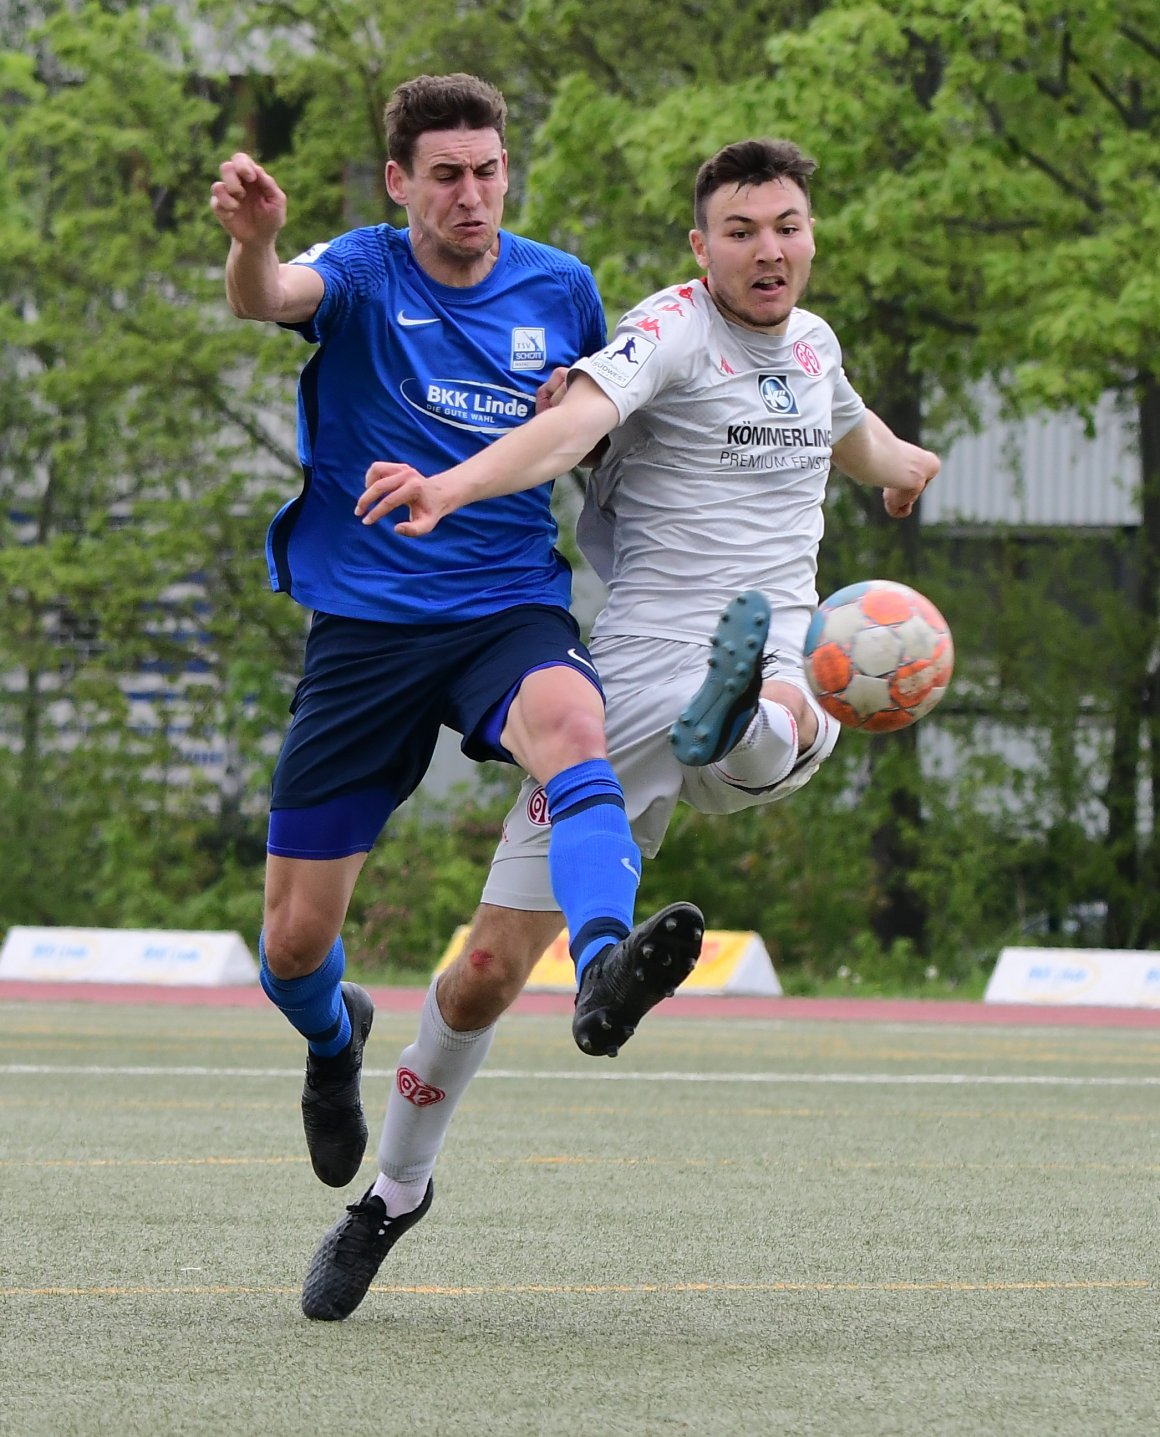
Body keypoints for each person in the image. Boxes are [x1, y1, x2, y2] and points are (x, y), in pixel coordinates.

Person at [298, 136, 941, 1322]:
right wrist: (447, 487)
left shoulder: (814, 346)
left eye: (786, 226)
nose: (767, 249)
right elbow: (563, 429)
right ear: (700, 249)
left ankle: (739, 712)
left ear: (810, 237)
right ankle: (391, 1194)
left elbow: (847, 433)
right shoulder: (667, 329)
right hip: (630, 685)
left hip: (786, 645)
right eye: (739, 230)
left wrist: (904, 468)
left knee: (790, 700)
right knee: (483, 974)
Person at [208, 73, 705, 1205]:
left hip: (502, 609)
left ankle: (600, 967)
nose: (471, 195)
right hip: (369, 634)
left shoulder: (561, 288)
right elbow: (265, 295)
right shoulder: (362, 270)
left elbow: (591, 439)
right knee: (289, 946)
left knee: (576, 727)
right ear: (399, 183)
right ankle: (336, 1041)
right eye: (445, 176)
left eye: (486, 171)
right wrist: (257, 242)